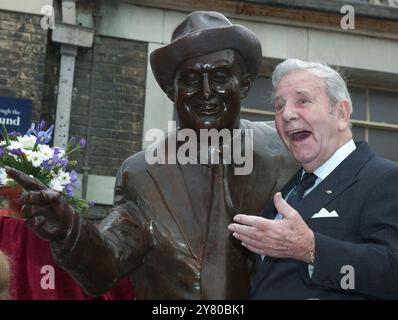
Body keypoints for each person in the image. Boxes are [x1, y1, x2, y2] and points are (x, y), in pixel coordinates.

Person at [6, 11, 297, 299]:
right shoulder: (143, 174)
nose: (206, 92)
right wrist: (69, 229)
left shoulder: (285, 151)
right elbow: (107, 265)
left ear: (244, 85)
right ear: (172, 91)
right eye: (191, 80)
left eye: (221, 76)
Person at [228, 58, 398, 299]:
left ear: (341, 113)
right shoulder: (285, 190)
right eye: (278, 106)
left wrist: (311, 249)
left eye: (303, 100)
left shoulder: (385, 179)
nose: (286, 114)